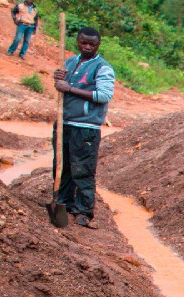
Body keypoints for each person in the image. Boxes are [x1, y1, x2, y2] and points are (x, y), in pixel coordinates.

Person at [53, 27, 115, 229]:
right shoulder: (71, 62)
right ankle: (62, 203)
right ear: (77, 42)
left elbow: (104, 95)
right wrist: (59, 79)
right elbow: (63, 86)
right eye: (83, 43)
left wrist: (69, 88)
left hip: (86, 126)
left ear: (98, 45)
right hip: (65, 122)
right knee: (62, 167)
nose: (87, 47)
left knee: (83, 170)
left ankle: (84, 211)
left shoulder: (102, 68)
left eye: (92, 44)